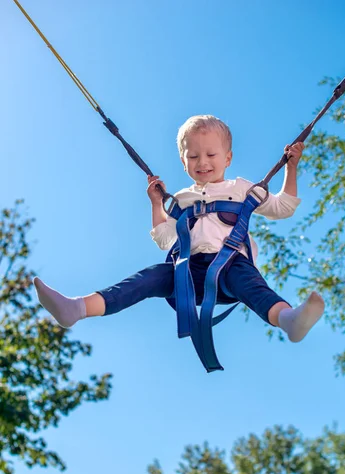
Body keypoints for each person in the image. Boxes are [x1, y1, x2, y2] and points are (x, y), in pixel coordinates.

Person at [34, 115, 324, 346]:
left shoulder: (241, 188)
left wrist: (291, 168)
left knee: (250, 283)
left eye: (211, 154)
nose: (203, 162)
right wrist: (156, 204)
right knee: (148, 278)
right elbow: (164, 239)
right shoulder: (182, 199)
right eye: (193, 156)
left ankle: (288, 319)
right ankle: (77, 308)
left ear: (228, 158)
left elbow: (283, 207)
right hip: (186, 274)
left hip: (229, 267)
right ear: (184, 162)